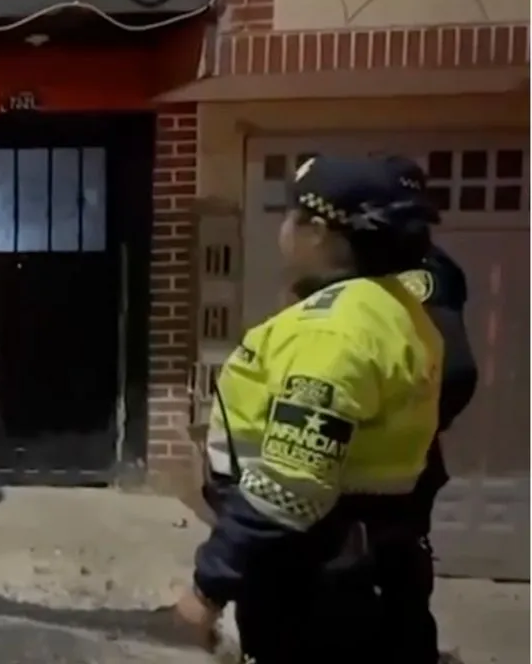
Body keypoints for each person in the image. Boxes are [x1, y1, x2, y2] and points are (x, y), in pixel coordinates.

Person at [174, 155, 445, 663]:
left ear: (317, 231)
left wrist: (209, 586)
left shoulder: (331, 331)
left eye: (291, 215)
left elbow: (291, 488)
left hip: (317, 583)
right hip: (370, 564)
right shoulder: (397, 310)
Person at [375, 155, 479, 663]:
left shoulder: (422, 274)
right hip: (388, 462)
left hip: (392, 466)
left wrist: (411, 428)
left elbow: (456, 370)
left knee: (392, 579)